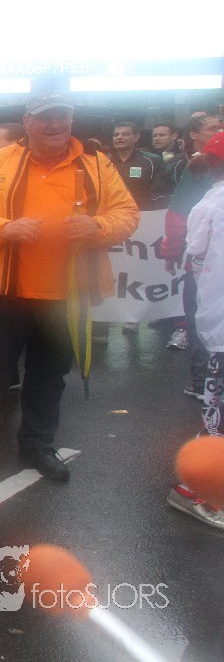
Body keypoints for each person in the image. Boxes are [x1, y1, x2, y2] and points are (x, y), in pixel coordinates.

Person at [0, 93, 139, 482]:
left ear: (70, 119)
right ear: (27, 122)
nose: (55, 124)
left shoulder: (97, 164)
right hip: (6, 292)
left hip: (66, 295)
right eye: (45, 117)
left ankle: (37, 445)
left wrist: (97, 226)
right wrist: (5, 228)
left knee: (50, 374)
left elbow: (127, 214)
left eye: (62, 116)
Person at [167, 132, 224, 529]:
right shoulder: (211, 204)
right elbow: (196, 254)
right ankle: (197, 492)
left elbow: (195, 253)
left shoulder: (209, 203)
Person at [108, 122, 161, 210]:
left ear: (136, 137)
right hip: (112, 212)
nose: (119, 137)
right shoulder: (105, 161)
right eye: (115, 135)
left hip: (143, 212)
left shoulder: (152, 161)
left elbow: (160, 192)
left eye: (125, 134)